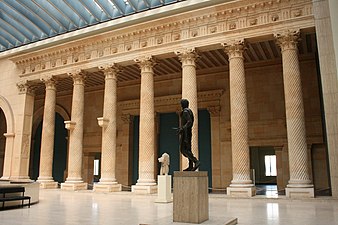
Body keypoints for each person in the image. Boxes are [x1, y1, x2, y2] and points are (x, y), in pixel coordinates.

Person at [177, 99, 200, 171]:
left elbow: (189, 122)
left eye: (181, 104)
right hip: (187, 132)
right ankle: (190, 165)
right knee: (188, 149)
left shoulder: (186, 111)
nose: (181, 105)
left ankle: (196, 161)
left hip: (186, 133)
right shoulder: (188, 111)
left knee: (183, 149)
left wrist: (182, 128)